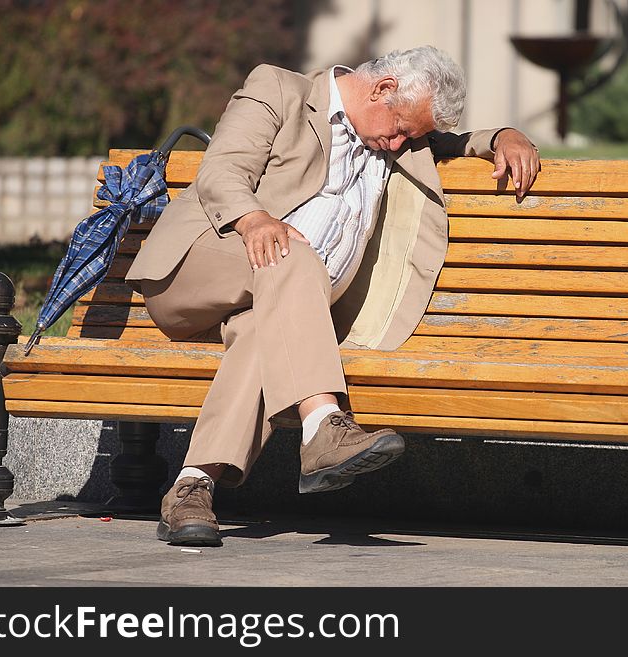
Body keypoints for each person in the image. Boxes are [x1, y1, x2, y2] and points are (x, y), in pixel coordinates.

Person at [126, 45, 541, 547]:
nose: (401, 144)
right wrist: (255, 218)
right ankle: (323, 425)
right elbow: (221, 172)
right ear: (383, 88)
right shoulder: (280, 91)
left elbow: (454, 140)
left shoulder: (399, 135)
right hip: (198, 270)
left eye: (414, 136)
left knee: (264, 328)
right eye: (402, 129)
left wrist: (504, 136)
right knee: (293, 254)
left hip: (279, 302)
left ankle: (191, 490)